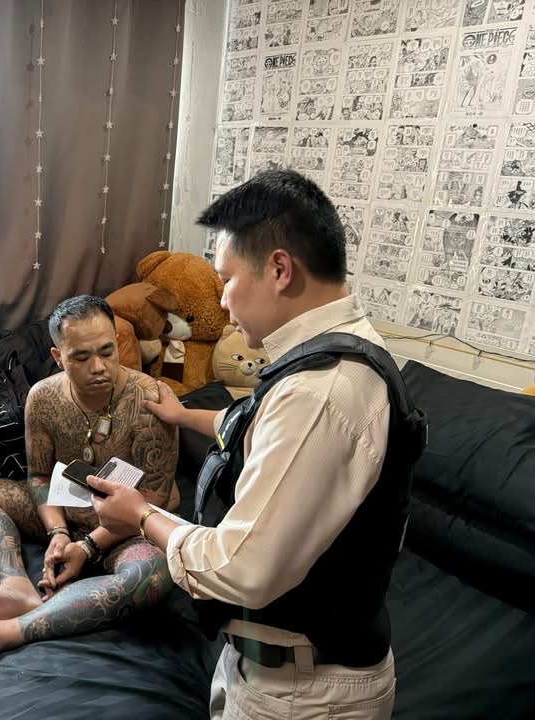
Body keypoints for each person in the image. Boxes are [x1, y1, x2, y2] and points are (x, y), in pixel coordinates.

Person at [91, 170, 423, 720]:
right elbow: (259, 426)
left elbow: (239, 568)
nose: (222, 301)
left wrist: (141, 516)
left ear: (278, 269)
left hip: (302, 694)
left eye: (226, 279)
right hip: (267, 665)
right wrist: (183, 414)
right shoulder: (331, 355)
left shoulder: (321, 391)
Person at [0, 295, 179, 675]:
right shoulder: (43, 397)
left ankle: (11, 629)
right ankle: (16, 587)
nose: (98, 367)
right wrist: (57, 532)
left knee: (155, 574)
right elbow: (39, 475)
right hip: (69, 511)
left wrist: (87, 547)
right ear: (58, 357)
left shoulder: (149, 399)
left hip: (129, 527)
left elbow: (153, 497)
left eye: (107, 351)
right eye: (81, 357)